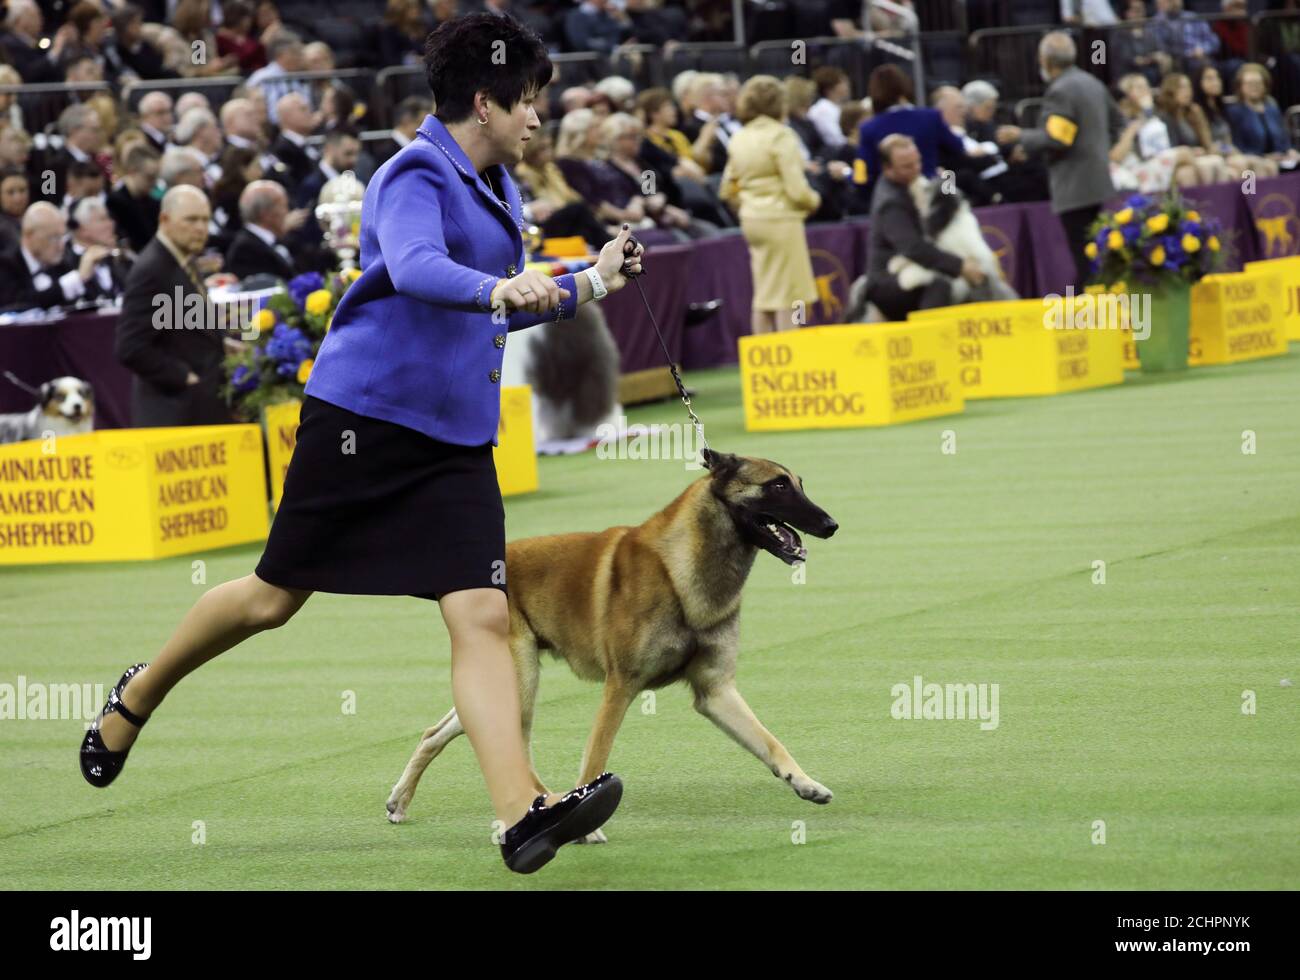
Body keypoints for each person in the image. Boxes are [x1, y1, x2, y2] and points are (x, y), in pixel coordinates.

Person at [81, 12, 636, 877]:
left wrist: (592, 278)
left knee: (483, 613)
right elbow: (416, 270)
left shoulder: (498, 185)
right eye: (527, 102)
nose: (538, 119)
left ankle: (520, 817)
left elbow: (511, 293)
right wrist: (505, 286)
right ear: (482, 102)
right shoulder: (414, 172)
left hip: (454, 438)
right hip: (363, 426)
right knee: (273, 598)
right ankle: (138, 692)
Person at [997, 32, 1123, 290]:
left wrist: (1020, 135)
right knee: (1094, 255)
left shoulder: (1060, 90)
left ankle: (1086, 320)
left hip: (1074, 186)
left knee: (1085, 260)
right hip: (1097, 180)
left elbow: (1058, 139)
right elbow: (1117, 123)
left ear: (1045, 60)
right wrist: (1097, 149)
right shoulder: (1092, 82)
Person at [113, 185, 234, 426]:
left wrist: (224, 344)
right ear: (164, 219)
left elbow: (187, 328)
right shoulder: (151, 269)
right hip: (174, 413)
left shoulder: (184, 259)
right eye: (191, 220)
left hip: (198, 410)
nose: (201, 228)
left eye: (205, 220)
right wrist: (185, 377)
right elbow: (130, 347)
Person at [719, 74, 821, 334]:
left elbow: (727, 189)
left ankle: (763, 360)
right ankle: (790, 357)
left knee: (764, 294)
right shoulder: (782, 135)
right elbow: (797, 190)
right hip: (781, 220)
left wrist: (747, 205)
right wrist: (814, 201)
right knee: (789, 293)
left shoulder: (739, 136)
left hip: (752, 220)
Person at [863, 134, 983, 321]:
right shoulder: (891, 202)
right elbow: (913, 248)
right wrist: (960, 266)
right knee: (939, 285)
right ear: (888, 169)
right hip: (886, 283)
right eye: (907, 166)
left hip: (905, 269)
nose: (916, 169)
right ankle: (930, 341)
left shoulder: (909, 185)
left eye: (917, 162)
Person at [0, 200, 113, 310]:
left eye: (62, 237)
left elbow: (92, 301)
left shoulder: (62, 264)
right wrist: (77, 279)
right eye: (53, 237)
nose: (61, 246)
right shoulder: (6, 265)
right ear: (29, 236)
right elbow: (17, 305)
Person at [64, 196, 130, 302]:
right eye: (103, 219)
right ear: (82, 229)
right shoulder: (64, 261)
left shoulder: (119, 258)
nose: (111, 224)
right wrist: (80, 277)